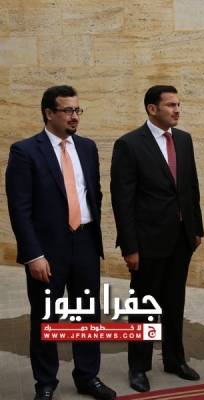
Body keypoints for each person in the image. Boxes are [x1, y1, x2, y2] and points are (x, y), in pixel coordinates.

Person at [5, 85, 116, 400]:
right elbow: (20, 209)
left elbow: (93, 193)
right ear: (48, 113)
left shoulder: (87, 147)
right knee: (46, 316)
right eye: (68, 110)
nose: (74, 116)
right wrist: (33, 255)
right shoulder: (25, 151)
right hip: (47, 250)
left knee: (87, 313)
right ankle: (45, 383)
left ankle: (87, 376)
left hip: (85, 243)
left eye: (77, 110)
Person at [110, 85, 204, 392]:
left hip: (181, 239)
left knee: (175, 302)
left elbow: (191, 187)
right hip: (147, 241)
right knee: (144, 306)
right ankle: (138, 366)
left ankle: (175, 360)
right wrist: (130, 247)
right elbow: (122, 200)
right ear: (152, 109)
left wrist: (196, 228)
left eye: (179, 104)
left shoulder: (184, 140)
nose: (177, 110)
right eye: (171, 105)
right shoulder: (129, 144)